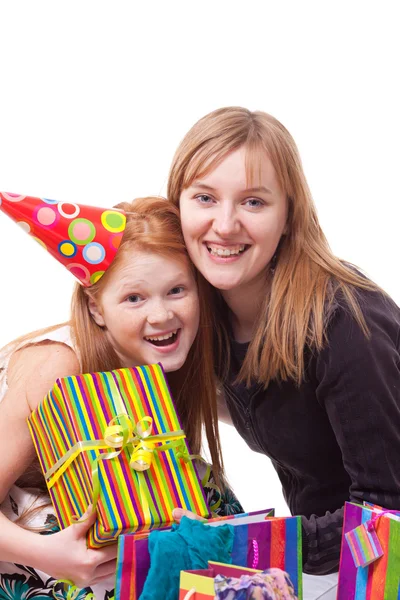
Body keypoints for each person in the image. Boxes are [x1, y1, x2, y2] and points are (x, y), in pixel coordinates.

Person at [167, 107, 400, 595]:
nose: (224, 225)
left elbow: (388, 517)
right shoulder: (203, 309)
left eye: (253, 202)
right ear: (179, 206)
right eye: (205, 197)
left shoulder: (345, 322)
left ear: (289, 212)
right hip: (326, 569)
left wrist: (240, 547)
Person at [0, 193, 242, 599]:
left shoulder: (176, 358)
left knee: (209, 499)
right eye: (134, 298)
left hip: (92, 508)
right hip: (26, 533)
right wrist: (50, 554)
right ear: (96, 309)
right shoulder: (59, 368)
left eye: (177, 290)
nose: (161, 315)